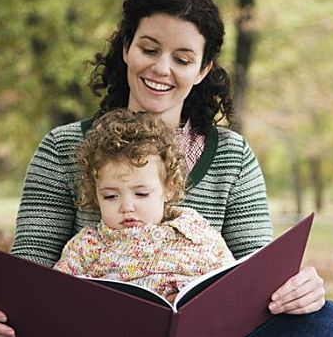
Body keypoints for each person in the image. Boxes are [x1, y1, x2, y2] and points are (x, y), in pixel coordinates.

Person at [0, 0, 333, 336]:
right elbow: (32, 261)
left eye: (182, 59)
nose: (161, 68)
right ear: (126, 49)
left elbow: (255, 272)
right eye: (149, 49)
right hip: (91, 328)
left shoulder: (232, 156)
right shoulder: (63, 146)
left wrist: (296, 290)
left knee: (330, 323)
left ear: (203, 70)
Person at [53, 109, 235, 303]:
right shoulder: (86, 247)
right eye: (110, 196)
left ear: (169, 188)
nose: (127, 207)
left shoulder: (197, 233)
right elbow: (55, 296)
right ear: (96, 196)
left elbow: (232, 285)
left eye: (141, 194)